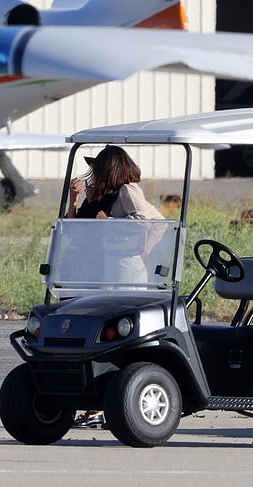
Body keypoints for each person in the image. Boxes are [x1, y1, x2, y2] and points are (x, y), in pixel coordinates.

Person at [69, 145, 164, 428]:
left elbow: (145, 222)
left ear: (109, 169)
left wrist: (109, 222)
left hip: (122, 270)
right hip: (100, 270)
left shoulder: (127, 190)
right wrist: (76, 200)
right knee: (97, 337)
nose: (92, 173)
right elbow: (76, 229)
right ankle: (95, 402)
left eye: (97, 167)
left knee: (118, 337)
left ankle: (110, 402)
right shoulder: (103, 195)